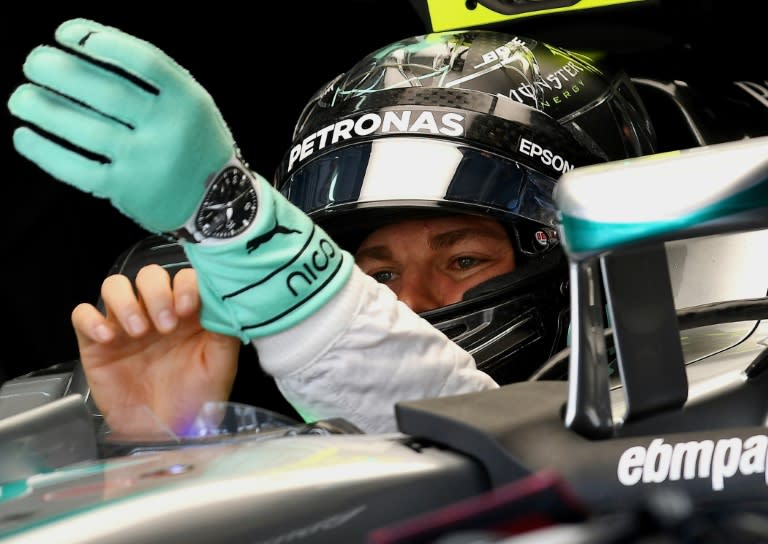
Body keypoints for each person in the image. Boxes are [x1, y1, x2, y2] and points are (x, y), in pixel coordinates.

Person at [7, 21, 655, 436]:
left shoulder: (703, 416)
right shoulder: (311, 463)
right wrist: (168, 452)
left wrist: (237, 228)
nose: (411, 304)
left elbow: (501, 450)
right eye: (376, 275)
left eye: (462, 262)